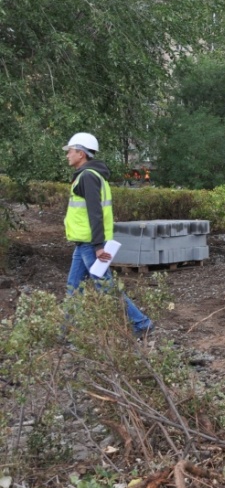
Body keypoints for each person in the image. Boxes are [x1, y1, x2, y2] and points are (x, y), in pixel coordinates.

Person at [63, 133, 154, 339]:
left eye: (70, 151)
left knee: (106, 287)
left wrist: (98, 246)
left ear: (81, 153)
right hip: (84, 244)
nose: (67, 154)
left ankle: (141, 323)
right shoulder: (91, 175)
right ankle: (67, 332)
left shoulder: (87, 176)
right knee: (73, 288)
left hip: (90, 244)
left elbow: (95, 213)